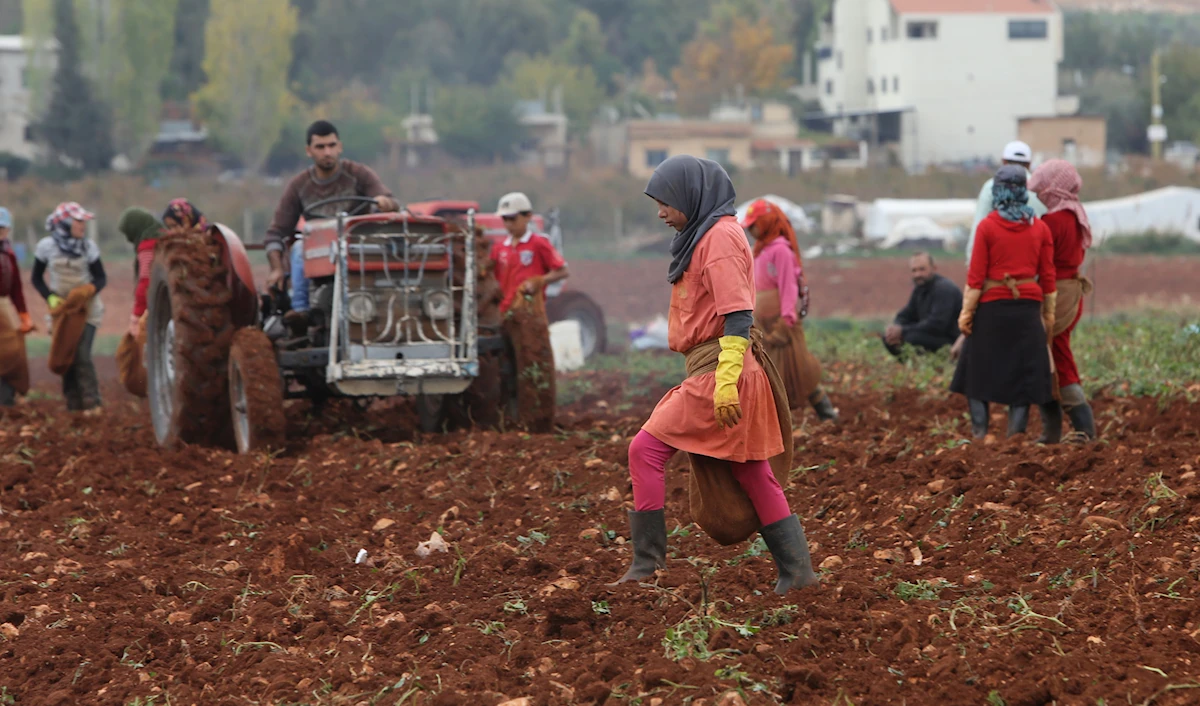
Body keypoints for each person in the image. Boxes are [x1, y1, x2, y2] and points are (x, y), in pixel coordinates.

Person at [612, 155, 818, 595]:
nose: (661, 212)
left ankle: (646, 565)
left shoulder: (719, 239)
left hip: (723, 369)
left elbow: (738, 316)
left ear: (691, 196)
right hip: (719, 367)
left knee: (644, 451)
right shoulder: (705, 235)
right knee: (750, 470)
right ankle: (797, 572)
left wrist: (726, 382)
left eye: (666, 202)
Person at [951, 166, 1056, 440]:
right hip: (1027, 313)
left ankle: (979, 433)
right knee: (1022, 375)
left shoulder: (987, 226)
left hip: (991, 310)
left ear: (996, 192)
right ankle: (1015, 436)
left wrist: (966, 316)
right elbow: (1048, 278)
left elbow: (975, 278)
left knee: (976, 372)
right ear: (1024, 192)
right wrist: (1048, 317)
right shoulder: (1041, 229)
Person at [263, 120, 399, 319]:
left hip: (356, 244)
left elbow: (391, 201)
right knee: (300, 248)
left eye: (331, 145)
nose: (327, 152)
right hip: (317, 248)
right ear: (309, 151)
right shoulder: (299, 186)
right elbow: (276, 233)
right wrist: (276, 269)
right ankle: (302, 313)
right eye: (320, 147)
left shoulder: (358, 174)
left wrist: (385, 202)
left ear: (339, 147)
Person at [740, 199, 837, 421]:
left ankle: (826, 412)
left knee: (798, 371)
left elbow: (788, 287)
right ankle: (771, 423)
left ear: (766, 223)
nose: (752, 231)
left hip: (782, 323)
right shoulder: (760, 250)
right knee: (767, 373)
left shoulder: (781, 250)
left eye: (754, 225)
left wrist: (786, 321)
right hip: (763, 324)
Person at [1029, 159, 1097, 440]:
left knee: (1055, 356)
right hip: (1071, 292)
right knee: (1054, 354)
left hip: (1056, 294)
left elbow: (1040, 260)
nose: (1039, 193)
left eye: (1042, 187)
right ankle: (1058, 430)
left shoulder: (1052, 221)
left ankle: (1081, 430)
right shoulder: (1074, 214)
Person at [32, 202, 107, 412]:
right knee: (65, 355)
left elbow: (101, 278)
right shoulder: (46, 247)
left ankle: (93, 404)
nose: (83, 226)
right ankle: (73, 405)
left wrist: (89, 289)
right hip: (62, 310)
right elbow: (36, 278)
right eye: (78, 221)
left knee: (82, 354)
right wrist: (50, 298)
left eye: (83, 222)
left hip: (87, 309)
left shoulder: (88, 247)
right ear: (64, 223)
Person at [490, 192, 569, 313]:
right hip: (504, 312)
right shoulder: (499, 248)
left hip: (530, 313)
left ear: (527, 216)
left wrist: (539, 281)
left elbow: (563, 271)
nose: (508, 224)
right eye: (505, 219)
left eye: (513, 219)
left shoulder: (539, 243)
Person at [883, 252, 962, 356]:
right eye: (914, 270)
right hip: (929, 335)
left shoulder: (944, 289)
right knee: (888, 338)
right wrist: (895, 328)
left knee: (911, 338)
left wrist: (903, 331)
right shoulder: (920, 288)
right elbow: (906, 314)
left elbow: (937, 325)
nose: (917, 274)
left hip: (951, 340)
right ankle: (911, 367)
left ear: (934, 268)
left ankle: (937, 365)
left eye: (922, 269)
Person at [0, 207, 33, 407]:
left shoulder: (8, 252)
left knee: (12, 353)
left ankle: (7, 399)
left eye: (5, 228)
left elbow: (16, 287)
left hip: (4, 305)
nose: (3, 232)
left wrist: (23, 314)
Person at [118, 207, 165, 337]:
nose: (129, 239)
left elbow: (146, 281)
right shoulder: (164, 237)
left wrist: (136, 315)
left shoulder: (148, 246)